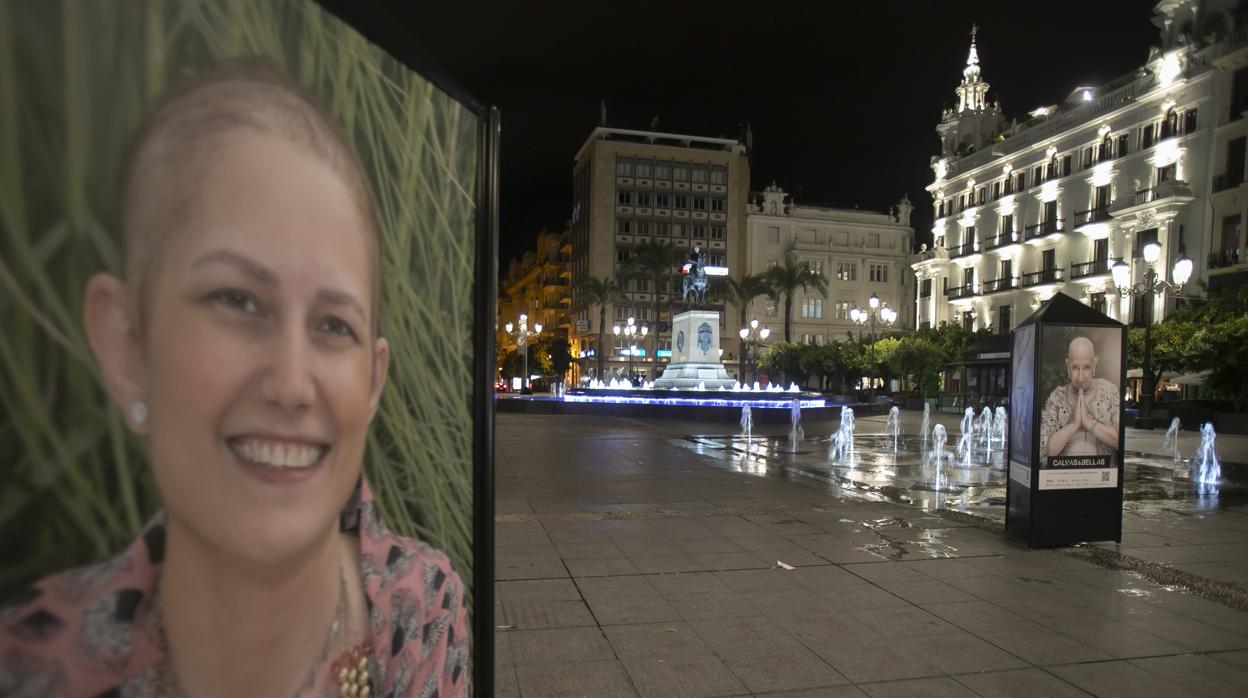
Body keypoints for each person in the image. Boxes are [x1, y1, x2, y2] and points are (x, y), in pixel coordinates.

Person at [0, 59, 468, 696]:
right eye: (237, 301)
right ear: (126, 345)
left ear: (374, 379)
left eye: (334, 325)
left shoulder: (425, 613)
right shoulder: (33, 666)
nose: (292, 383)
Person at [1039, 336, 1120, 463]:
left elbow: (1119, 440)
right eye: (1075, 368)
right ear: (1068, 367)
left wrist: (1089, 423)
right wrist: (1074, 424)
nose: (1080, 376)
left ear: (1094, 365)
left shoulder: (1109, 392)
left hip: (1101, 475)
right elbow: (1046, 450)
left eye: (1086, 367)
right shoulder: (1057, 397)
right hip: (1063, 476)